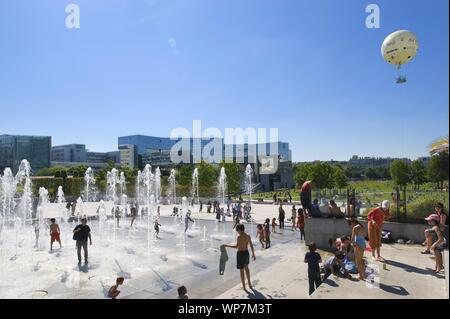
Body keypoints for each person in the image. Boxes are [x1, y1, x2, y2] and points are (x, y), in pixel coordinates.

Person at [221, 224, 256, 291]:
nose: (237, 232)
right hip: (246, 253)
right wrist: (253, 254)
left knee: (241, 270)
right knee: (247, 268)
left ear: (240, 230)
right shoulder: (248, 236)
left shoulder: (239, 237)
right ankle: (249, 283)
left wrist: (227, 245)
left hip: (240, 254)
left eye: (237, 230)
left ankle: (244, 286)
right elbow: (251, 245)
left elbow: (236, 247)